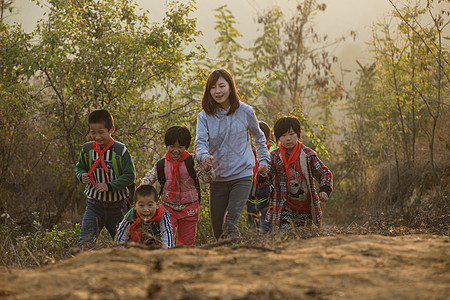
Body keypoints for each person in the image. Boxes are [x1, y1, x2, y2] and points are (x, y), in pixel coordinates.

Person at [195, 68, 270, 240]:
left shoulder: (245, 111)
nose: (218, 91)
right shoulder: (204, 117)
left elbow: (259, 138)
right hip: (218, 179)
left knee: (229, 223)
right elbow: (200, 143)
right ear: (208, 91)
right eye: (213, 87)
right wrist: (204, 157)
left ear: (230, 87)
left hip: (242, 176)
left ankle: (236, 261)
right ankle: (225, 262)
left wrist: (264, 161)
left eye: (222, 86)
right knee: (218, 232)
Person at [140, 125, 215, 246]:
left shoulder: (193, 161)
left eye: (180, 147)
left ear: (186, 147)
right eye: (171, 147)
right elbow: (148, 180)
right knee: (166, 241)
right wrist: (139, 193)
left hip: (189, 208)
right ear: (166, 146)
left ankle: (182, 262)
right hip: (168, 208)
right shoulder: (161, 164)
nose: (175, 151)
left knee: (185, 244)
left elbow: (208, 179)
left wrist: (207, 169)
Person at [257, 116, 333, 229]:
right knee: (286, 232)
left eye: (291, 134)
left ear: (298, 134)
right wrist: (262, 175)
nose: (288, 138)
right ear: (278, 138)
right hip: (284, 206)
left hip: (305, 206)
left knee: (304, 235)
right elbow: (265, 182)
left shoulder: (308, 155)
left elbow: (324, 173)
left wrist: (325, 190)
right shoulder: (274, 157)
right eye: (283, 135)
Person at [75, 109, 136, 248]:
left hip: (118, 207)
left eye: (101, 132)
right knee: (85, 243)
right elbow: (80, 167)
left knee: (125, 245)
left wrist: (109, 186)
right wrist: (81, 175)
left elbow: (130, 176)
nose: (97, 136)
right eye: (93, 132)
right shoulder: (87, 149)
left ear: (111, 130)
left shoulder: (121, 151)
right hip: (94, 206)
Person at [246, 121, 275, 234]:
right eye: (251, 137)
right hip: (250, 200)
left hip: (267, 200)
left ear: (266, 140)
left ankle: (266, 247)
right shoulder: (245, 154)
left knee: (265, 230)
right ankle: (255, 249)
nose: (254, 142)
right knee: (253, 230)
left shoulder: (271, 154)